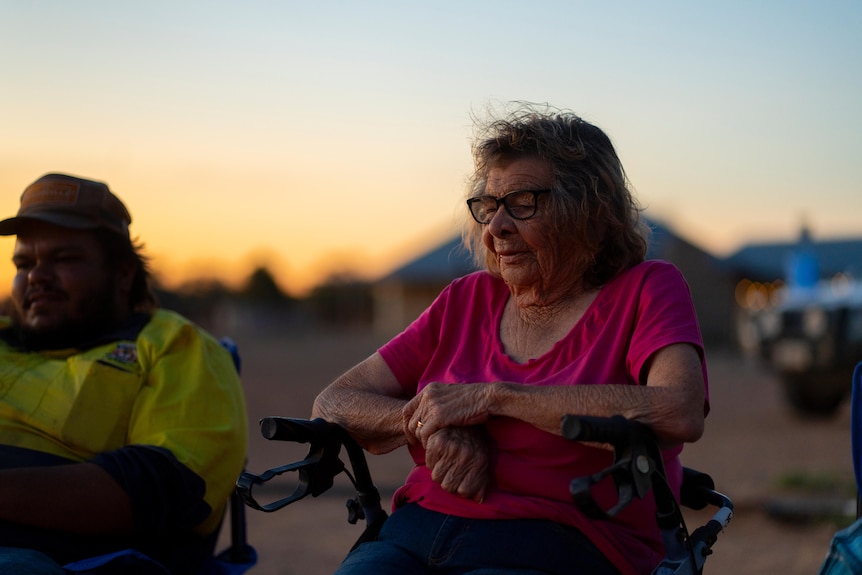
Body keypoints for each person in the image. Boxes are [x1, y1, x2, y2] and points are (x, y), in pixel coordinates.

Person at [312, 103, 709, 575]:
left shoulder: (646, 289)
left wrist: (494, 398)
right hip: (415, 531)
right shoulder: (467, 299)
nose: (496, 227)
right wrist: (431, 423)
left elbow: (678, 410)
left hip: (561, 543)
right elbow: (333, 402)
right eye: (488, 206)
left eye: (522, 203)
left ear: (589, 211)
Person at [0, 173, 248, 574]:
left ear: (123, 273)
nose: (36, 276)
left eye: (64, 259)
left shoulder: (172, 344)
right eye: (23, 263)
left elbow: (165, 487)